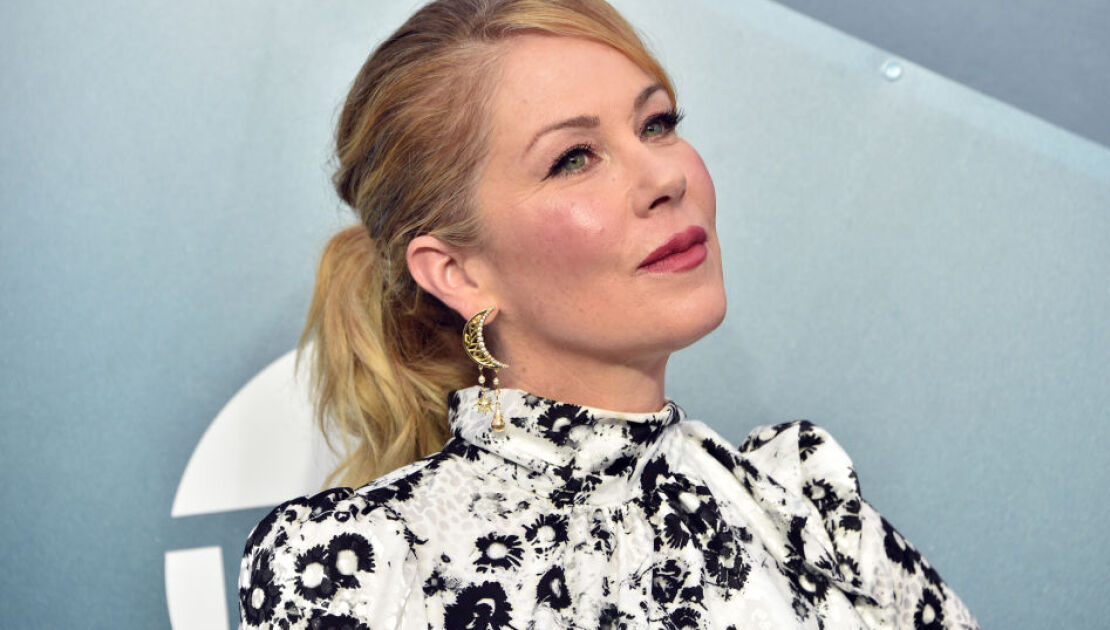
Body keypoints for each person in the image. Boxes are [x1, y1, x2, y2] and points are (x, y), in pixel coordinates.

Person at [237, 1, 980, 628]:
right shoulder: (364, 567)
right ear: (458, 273)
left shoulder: (804, 510)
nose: (665, 176)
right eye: (574, 158)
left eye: (656, 123)